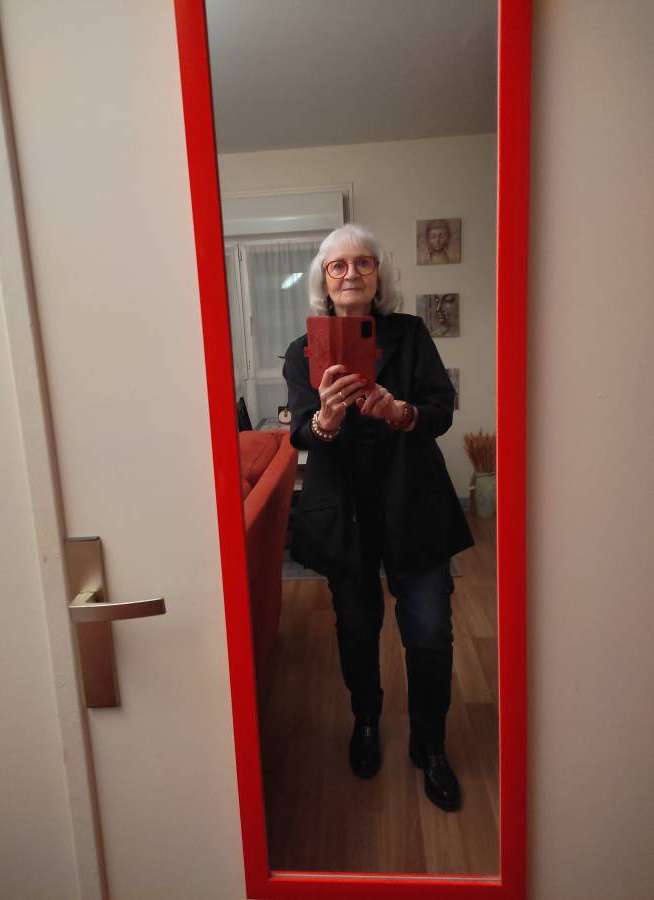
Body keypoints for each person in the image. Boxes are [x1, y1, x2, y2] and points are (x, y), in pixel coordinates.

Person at [282, 224, 474, 812]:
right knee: (357, 628)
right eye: (337, 266)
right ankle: (366, 721)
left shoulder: (410, 334)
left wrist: (402, 412)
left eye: (363, 263)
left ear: (378, 275)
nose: (351, 274)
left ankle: (430, 743)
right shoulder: (302, 349)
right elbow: (300, 433)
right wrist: (327, 420)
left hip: (413, 502)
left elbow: (441, 408)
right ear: (323, 280)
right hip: (346, 511)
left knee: (429, 630)